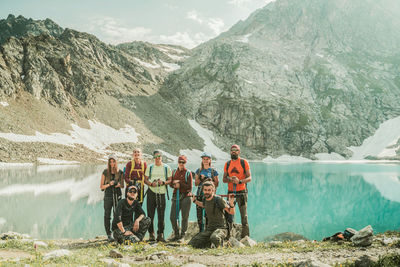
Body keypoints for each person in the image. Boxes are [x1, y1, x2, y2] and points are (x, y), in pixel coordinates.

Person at [188, 181, 235, 248]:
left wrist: (231, 204)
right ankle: (209, 243)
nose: (207, 192)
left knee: (215, 238)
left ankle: (224, 243)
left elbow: (231, 212)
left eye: (209, 190)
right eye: (205, 190)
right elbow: (203, 205)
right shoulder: (205, 199)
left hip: (221, 228)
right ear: (203, 190)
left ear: (213, 190)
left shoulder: (219, 200)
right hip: (210, 229)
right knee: (193, 242)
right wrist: (195, 201)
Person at [223, 144, 252, 238]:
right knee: (229, 214)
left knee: (244, 216)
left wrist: (239, 181)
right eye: (232, 150)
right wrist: (231, 179)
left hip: (242, 192)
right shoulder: (227, 164)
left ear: (239, 152)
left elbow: (249, 177)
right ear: (230, 152)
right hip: (231, 192)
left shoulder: (244, 162)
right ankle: (229, 236)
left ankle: (245, 237)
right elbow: (224, 179)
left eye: (236, 150)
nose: (234, 151)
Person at [144, 150, 172, 242]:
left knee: (161, 215)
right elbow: (145, 179)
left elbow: (170, 180)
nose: (157, 158)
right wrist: (151, 184)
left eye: (159, 156)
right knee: (150, 215)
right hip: (151, 192)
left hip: (162, 192)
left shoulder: (166, 167)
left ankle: (160, 234)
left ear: (161, 157)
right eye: (155, 156)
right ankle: (151, 234)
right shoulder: (150, 167)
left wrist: (163, 182)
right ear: (153, 158)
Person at [100, 154, 124, 242]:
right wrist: (109, 184)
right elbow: (101, 187)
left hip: (117, 195)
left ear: (116, 162)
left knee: (117, 215)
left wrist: (118, 185)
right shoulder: (105, 172)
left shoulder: (120, 172)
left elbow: (122, 185)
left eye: (113, 161)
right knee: (107, 215)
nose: (112, 163)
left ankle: (116, 232)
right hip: (108, 196)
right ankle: (108, 234)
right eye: (110, 162)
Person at [169, 155, 193, 241]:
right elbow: (171, 184)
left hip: (186, 197)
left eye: (183, 162)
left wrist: (180, 183)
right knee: (172, 217)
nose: (181, 164)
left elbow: (189, 187)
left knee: (184, 217)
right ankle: (176, 233)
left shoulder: (188, 173)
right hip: (176, 196)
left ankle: (183, 235)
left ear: (185, 163)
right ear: (178, 162)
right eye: (180, 162)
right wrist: (174, 184)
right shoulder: (174, 172)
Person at [194, 152, 219, 232]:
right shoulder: (198, 170)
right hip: (200, 193)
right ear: (202, 160)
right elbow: (196, 183)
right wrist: (201, 179)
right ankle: (201, 231)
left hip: (209, 194)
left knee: (209, 212)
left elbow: (217, 183)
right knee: (199, 212)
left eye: (207, 159)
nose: (205, 160)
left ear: (210, 160)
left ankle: (208, 231)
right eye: (204, 159)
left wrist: (210, 181)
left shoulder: (213, 171)